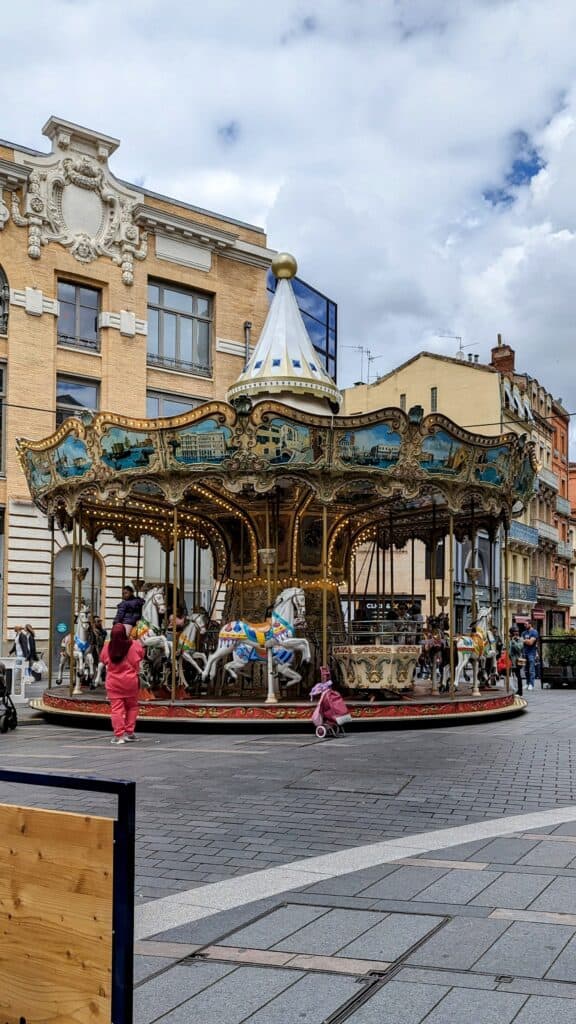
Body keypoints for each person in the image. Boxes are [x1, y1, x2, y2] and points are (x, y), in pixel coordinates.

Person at [100, 623, 144, 744]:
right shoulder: (134, 645)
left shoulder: (107, 647)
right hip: (130, 682)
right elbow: (141, 655)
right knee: (132, 707)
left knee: (116, 709)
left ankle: (119, 735)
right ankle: (130, 732)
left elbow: (103, 660)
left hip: (113, 683)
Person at [522, 619, 539, 690]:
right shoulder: (524, 633)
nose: (524, 625)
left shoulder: (534, 632)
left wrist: (523, 640)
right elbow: (524, 642)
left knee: (531, 669)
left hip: (531, 653)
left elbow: (531, 643)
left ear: (530, 624)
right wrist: (526, 641)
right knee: (526, 669)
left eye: (526, 624)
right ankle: (527, 683)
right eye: (524, 624)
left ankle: (531, 684)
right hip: (525, 652)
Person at [509, 626, 524, 696]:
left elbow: (519, 648)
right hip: (509, 660)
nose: (516, 633)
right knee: (511, 676)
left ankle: (520, 691)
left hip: (516, 661)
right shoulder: (509, 639)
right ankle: (512, 690)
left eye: (517, 631)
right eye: (515, 632)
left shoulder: (520, 639)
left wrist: (513, 641)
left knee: (518, 676)